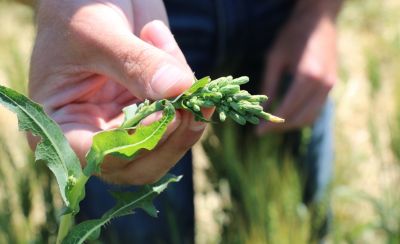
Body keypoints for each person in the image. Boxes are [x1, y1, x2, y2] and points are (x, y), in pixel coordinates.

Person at [30, 0, 341, 243]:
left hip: (286, 12)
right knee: (137, 230)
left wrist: (320, 11)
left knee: (299, 215)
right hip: (132, 17)